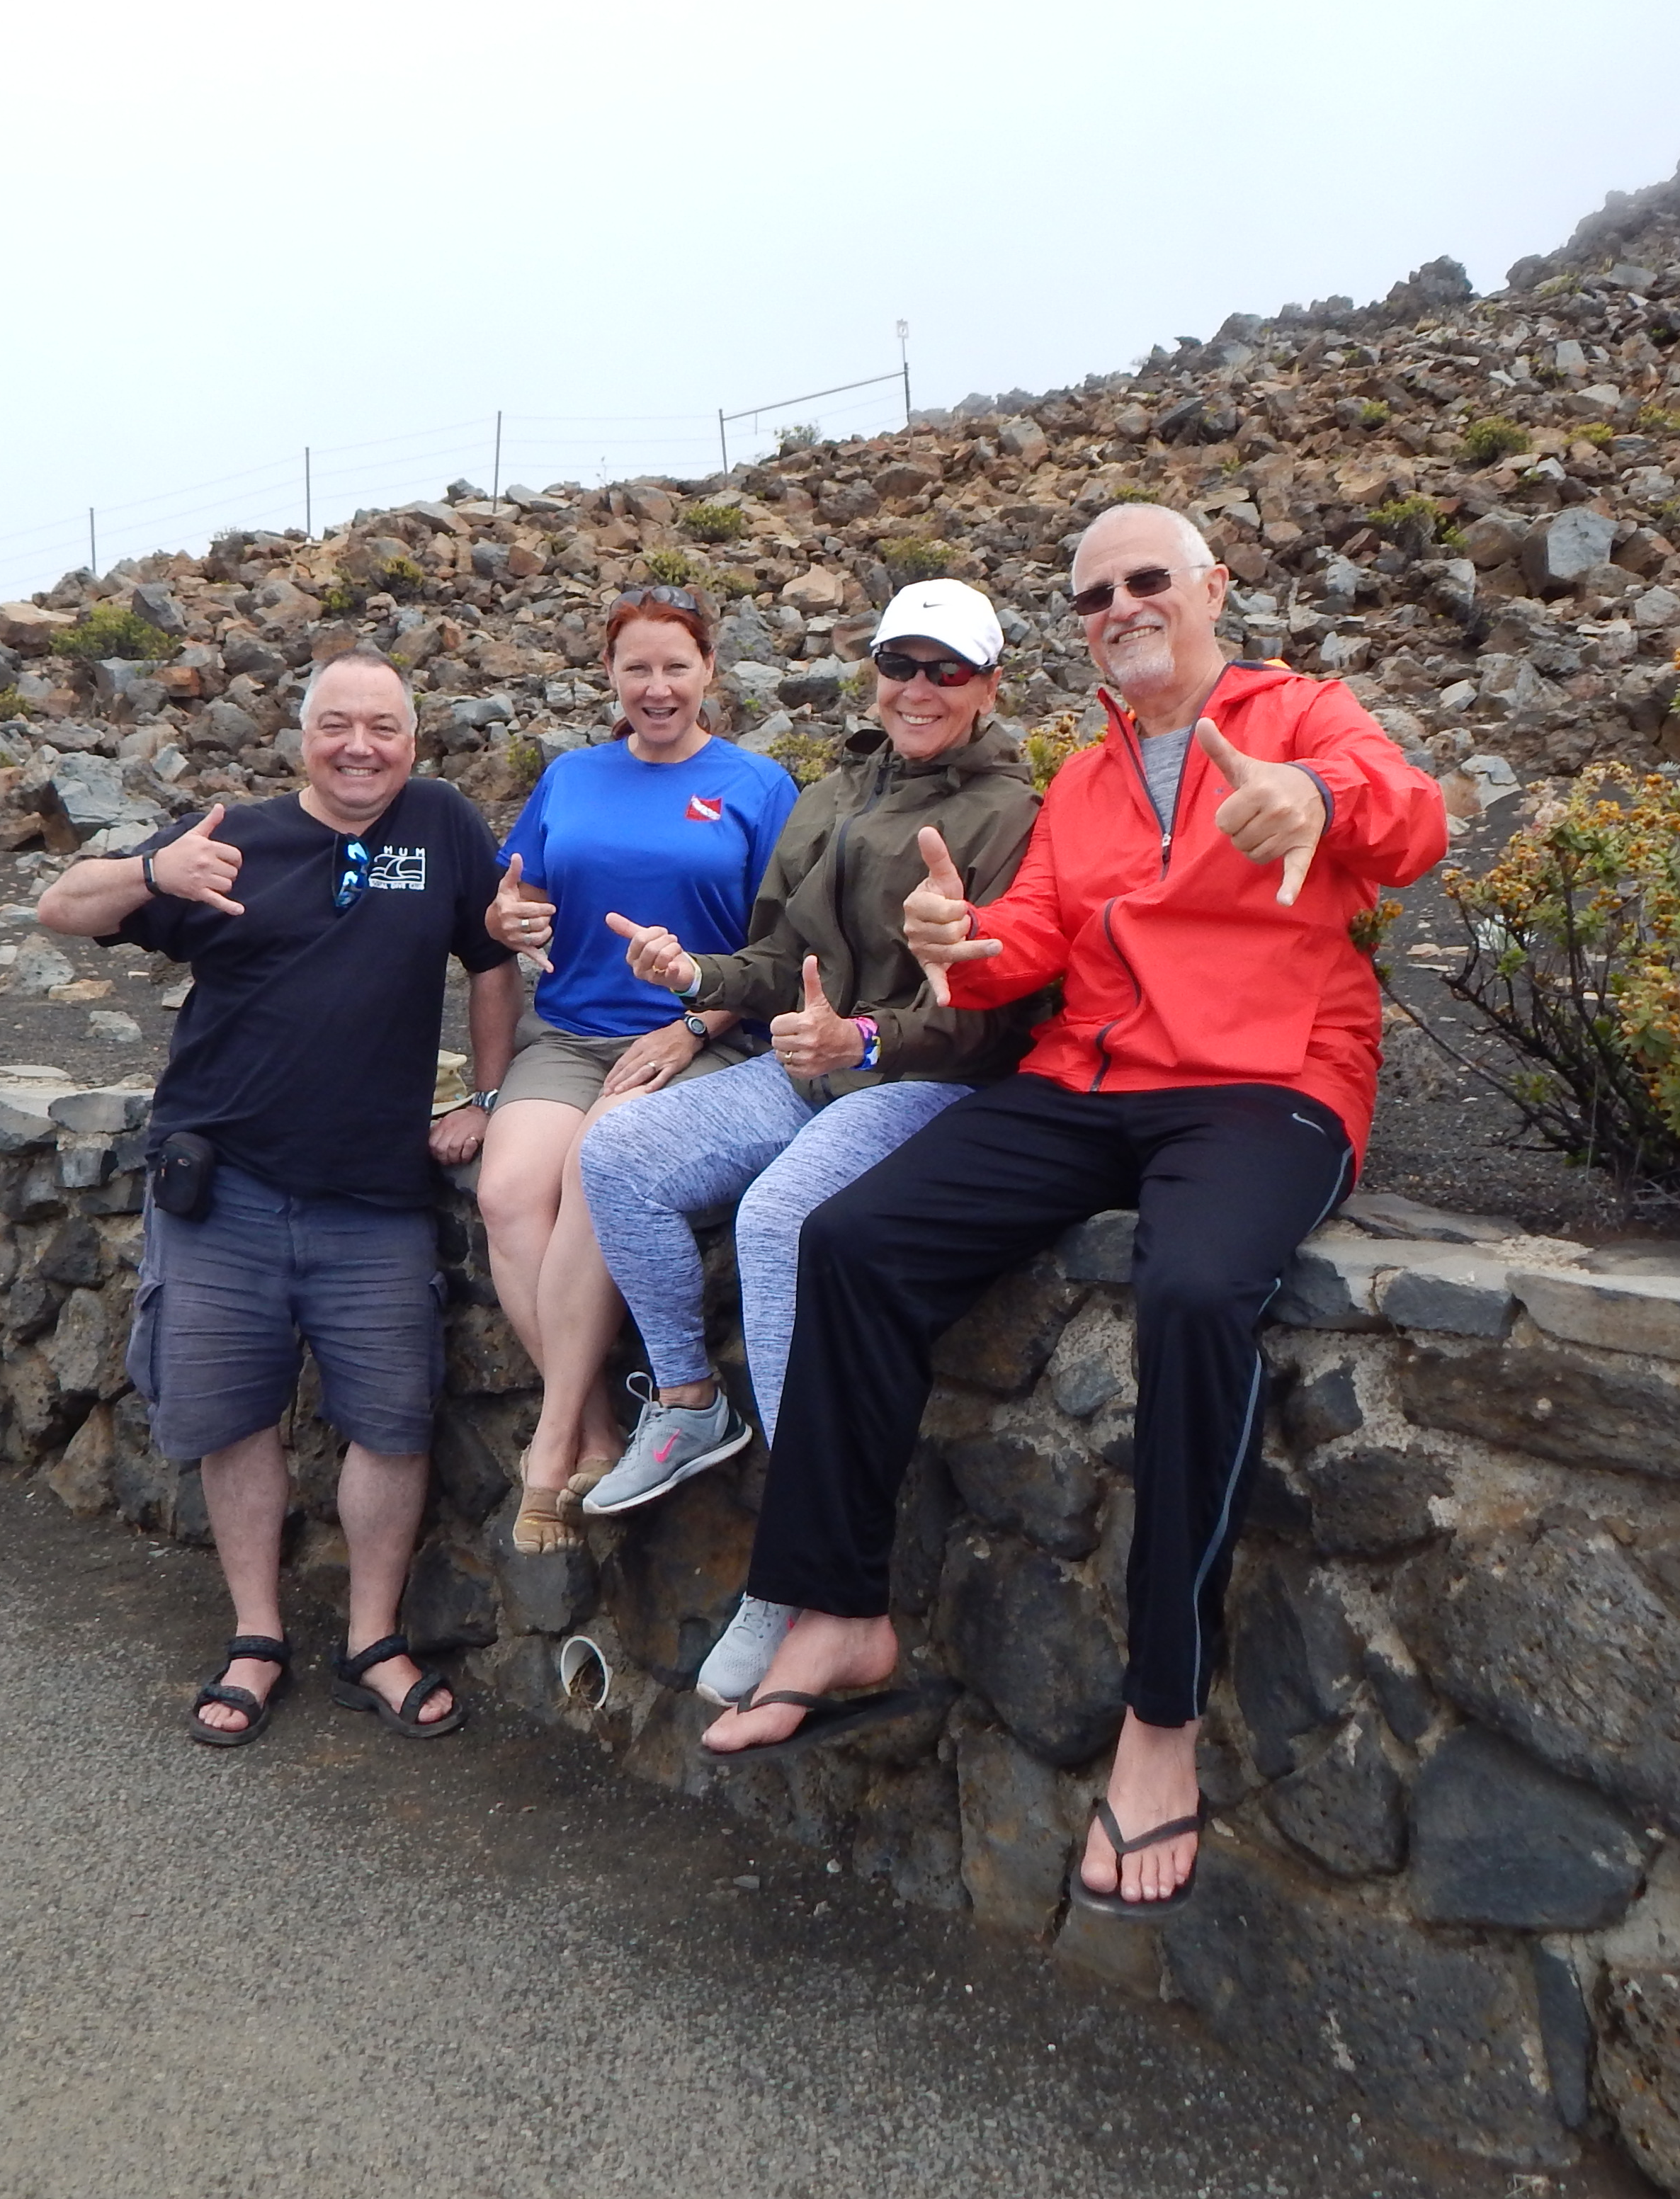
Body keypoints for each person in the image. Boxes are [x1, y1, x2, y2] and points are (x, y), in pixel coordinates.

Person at [698, 503, 1450, 1921]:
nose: (1119, 605)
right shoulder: (1091, 781)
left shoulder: (1304, 716)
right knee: (849, 1235)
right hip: (1091, 1080)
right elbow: (1031, 933)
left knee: (1192, 1292)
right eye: (1094, 592)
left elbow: (1412, 822)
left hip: (1264, 1085)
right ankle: (843, 1609)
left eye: (1146, 579)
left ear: (1214, 588)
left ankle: (1161, 1713)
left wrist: (1322, 803)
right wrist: (957, 949)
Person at [35, 647, 517, 1747]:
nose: (361, 747)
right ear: (302, 735)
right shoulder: (234, 837)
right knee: (232, 1421)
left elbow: (493, 956)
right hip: (225, 1189)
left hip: (376, 1196)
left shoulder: (441, 825)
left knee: (392, 1425)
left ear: (415, 737)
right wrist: (157, 876)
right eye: (337, 724)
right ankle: (257, 1637)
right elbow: (61, 906)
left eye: (384, 728)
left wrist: (488, 1093)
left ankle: (373, 1641)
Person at [575, 578, 1044, 1703]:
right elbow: (782, 961)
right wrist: (698, 979)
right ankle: (688, 1402)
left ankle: (796, 1566)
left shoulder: (1013, 814)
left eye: (948, 670)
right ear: (874, 669)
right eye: (902, 663)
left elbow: (990, 1014)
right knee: (619, 1154)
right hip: (812, 1063)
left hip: (928, 1078)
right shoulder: (837, 787)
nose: (919, 688)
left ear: (987, 687)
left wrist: (864, 1040)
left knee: (779, 1218)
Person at [476, 586, 798, 1554]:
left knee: (592, 1171)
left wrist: (698, 1026)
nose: (657, 688)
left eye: (675, 667)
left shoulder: (757, 784)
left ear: (709, 671)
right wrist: (506, 919)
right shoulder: (572, 776)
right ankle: (596, 1431)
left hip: (693, 1039)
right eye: (636, 669)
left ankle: (546, 1450)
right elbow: (514, 896)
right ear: (610, 677)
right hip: (570, 1036)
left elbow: (783, 945)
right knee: (503, 1191)